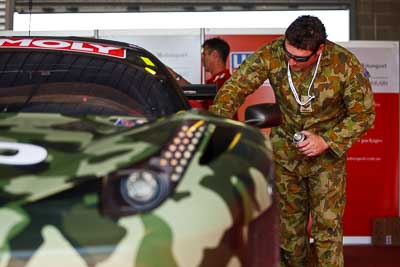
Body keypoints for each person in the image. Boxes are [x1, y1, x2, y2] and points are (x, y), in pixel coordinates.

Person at [209, 15, 375, 267]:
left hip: (326, 160)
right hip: (285, 154)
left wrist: (326, 140)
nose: (291, 61)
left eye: (299, 58)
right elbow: (234, 88)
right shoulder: (273, 53)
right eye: (288, 53)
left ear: (319, 50)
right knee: (289, 235)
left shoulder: (344, 64)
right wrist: (215, 126)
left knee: (326, 233)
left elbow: (364, 115)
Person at [170, 37, 231, 110]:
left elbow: (201, 104)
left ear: (215, 54)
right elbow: (196, 94)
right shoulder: (215, 81)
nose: (202, 59)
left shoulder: (224, 81)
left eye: (204, 55)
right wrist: (174, 76)